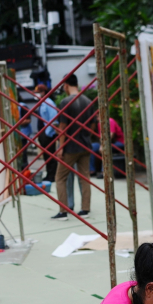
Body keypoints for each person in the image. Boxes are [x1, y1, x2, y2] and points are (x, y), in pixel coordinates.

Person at [53, 74, 94, 220]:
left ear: (65, 85)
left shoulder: (65, 102)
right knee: (85, 178)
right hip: (85, 144)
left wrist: (60, 147)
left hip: (70, 146)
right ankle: (85, 209)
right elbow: (92, 124)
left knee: (60, 178)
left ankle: (63, 210)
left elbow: (63, 126)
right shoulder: (88, 101)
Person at [35, 84, 58, 183]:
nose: (36, 95)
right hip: (43, 133)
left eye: (37, 93)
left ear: (43, 92)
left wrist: (47, 133)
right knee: (46, 156)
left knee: (50, 155)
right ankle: (49, 174)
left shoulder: (49, 103)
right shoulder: (42, 103)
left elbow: (54, 119)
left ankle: (52, 175)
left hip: (48, 134)